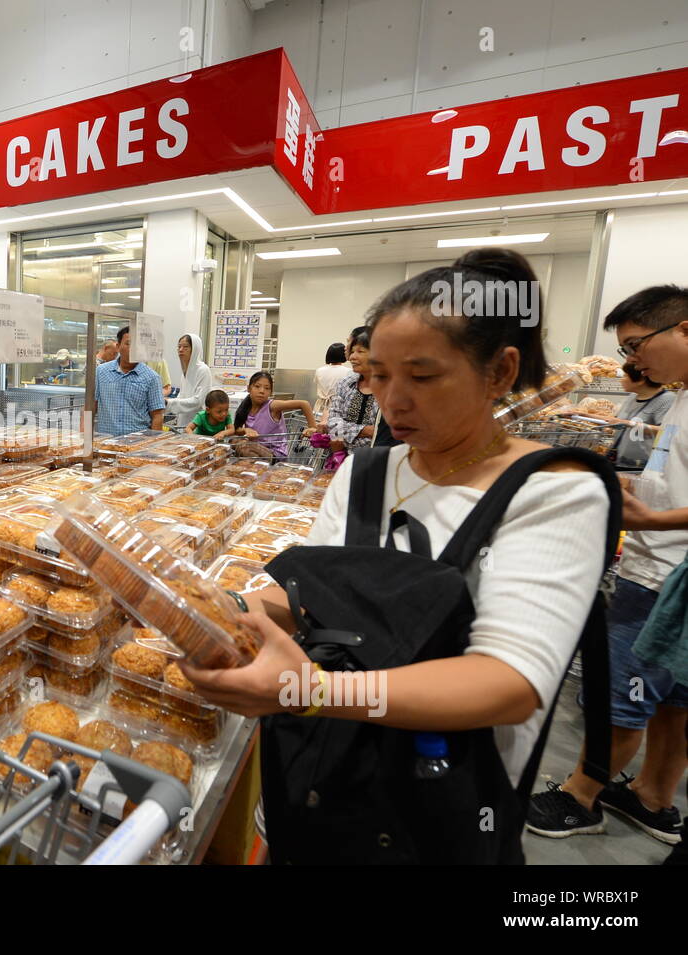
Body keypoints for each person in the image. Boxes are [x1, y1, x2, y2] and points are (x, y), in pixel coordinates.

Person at [183, 248, 613, 863]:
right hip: (319, 790)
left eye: (423, 375)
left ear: (499, 372)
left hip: (436, 816)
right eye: (378, 375)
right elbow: (307, 594)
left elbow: (508, 682)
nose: (393, 400)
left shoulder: (554, 491)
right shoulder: (365, 473)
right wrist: (212, 605)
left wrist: (312, 691)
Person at [527, 285, 688, 848]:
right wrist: (633, 488)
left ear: (684, 329)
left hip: (666, 577)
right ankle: (653, 797)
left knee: (622, 692)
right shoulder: (681, 396)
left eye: (637, 344)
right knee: (673, 699)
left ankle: (579, 798)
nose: (631, 361)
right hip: (662, 565)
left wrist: (653, 522)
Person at [584, 362, 675, 470]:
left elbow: (666, 431)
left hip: (641, 467)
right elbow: (616, 421)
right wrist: (582, 414)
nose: (621, 379)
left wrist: (628, 424)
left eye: (626, 376)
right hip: (618, 461)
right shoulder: (632, 397)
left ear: (641, 380)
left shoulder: (666, 400)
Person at [93, 325, 165, 436]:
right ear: (117, 346)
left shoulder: (152, 377)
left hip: (137, 444)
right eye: (128, 344)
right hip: (106, 442)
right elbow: (91, 406)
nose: (133, 349)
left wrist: (152, 445)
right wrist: (85, 438)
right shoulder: (101, 372)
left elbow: (157, 415)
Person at [232, 371, 316, 458]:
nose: (262, 391)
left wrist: (313, 427)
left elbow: (304, 404)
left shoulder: (272, 406)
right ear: (249, 388)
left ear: (271, 392)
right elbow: (236, 430)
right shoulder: (246, 407)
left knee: (244, 446)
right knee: (233, 441)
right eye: (257, 386)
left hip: (275, 454)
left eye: (267, 388)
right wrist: (246, 430)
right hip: (256, 449)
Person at [325, 329, 378, 452]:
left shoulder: (388, 389)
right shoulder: (346, 383)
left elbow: (382, 434)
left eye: (360, 351)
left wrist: (346, 434)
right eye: (352, 351)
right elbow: (333, 422)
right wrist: (365, 431)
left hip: (376, 460)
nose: (352, 356)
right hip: (344, 458)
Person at [165, 334, 212, 423]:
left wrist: (170, 403)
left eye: (185, 347)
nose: (181, 350)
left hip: (197, 424)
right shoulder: (185, 372)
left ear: (195, 349)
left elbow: (198, 401)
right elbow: (182, 396)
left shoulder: (203, 370)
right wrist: (168, 403)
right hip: (183, 422)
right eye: (179, 347)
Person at [313, 342, 353, 414]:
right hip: (338, 408)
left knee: (318, 423)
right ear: (343, 355)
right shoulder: (349, 372)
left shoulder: (319, 370)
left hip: (319, 408)